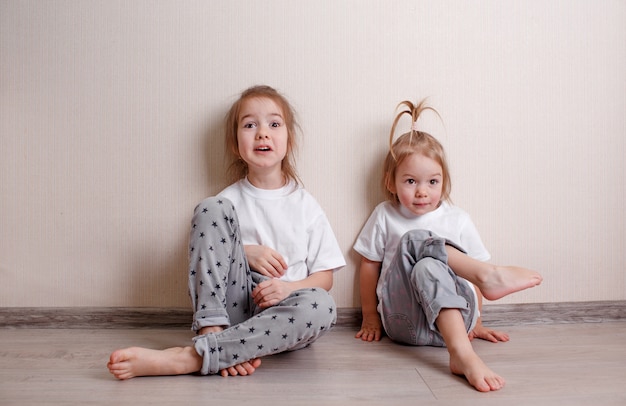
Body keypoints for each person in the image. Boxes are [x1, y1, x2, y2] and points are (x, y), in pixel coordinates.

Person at [108, 85, 346, 379]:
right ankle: (211, 332)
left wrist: (288, 288)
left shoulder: (306, 205)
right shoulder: (227, 201)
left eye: (274, 124)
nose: (262, 133)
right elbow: (207, 254)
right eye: (249, 125)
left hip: (283, 314)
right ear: (236, 143)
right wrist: (246, 253)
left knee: (323, 306)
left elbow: (324, 278)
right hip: (231, 310)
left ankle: (197, 355)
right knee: (209, 207)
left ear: (289, 139)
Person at [353, 99, 543, 392]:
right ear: (391, 182)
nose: (421, 191)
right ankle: (488, 274)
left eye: (432, 181)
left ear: (444, 182)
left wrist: (476, 321)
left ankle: (462, 354)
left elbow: (468, 285)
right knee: (415, 241)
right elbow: (368, 266)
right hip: (403, 322)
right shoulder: (385, 215)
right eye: (410, 181)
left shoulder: (458, 219)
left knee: (430, 265)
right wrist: (369, 317)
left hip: (454, 328)